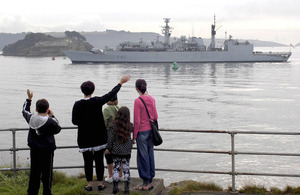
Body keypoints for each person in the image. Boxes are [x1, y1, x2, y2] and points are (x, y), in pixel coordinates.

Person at [72, 75, 130, 192]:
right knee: (99, 160)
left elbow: (74, 121)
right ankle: (99, 183)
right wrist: (120, 83)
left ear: (82, 91)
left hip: (84, 137)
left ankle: (89, 184)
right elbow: (110, 94)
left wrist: (84, 121)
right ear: (93, 91)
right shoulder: (97, 101)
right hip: (98, 137)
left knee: (87, 161)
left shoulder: (77, 104)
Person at [22, 89, 61, 195]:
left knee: (34, 173)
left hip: (34, 150)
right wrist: (52, 116)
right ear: (48, 109)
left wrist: (29, 99)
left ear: (36, 108)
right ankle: (47, 192)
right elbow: (58, 128)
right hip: (47, 151)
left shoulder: (31, 119)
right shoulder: (50, 122)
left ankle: (32, 192)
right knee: (47, 174)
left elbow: (25, 110)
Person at [133, 79, 158, 190]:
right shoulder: (152, 99)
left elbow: (137, 121)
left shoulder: (138, 101)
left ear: (137, 88)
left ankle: (145, 183)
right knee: (150, 155)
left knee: (142, 157)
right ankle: (151, 181)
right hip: (151, 132)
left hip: (142, 132)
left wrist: (134, 136)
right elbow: (155, 116)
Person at [105, 106, 133, 194]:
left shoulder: (113, 126)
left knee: (116, 169)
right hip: (126, 151)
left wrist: (108, 148)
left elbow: (110, 139)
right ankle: (127, 188)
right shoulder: (130, 125)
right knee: (126, 169)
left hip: (116, 151)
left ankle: (115, 187)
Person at [103, 94, 124, 183]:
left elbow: (103, 123)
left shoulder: (106, 110)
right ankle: (120, 175)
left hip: (109, 135)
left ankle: (111, 176)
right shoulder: (119, 109)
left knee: (109, 156)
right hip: (119, 135)